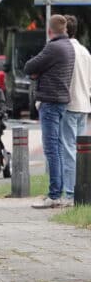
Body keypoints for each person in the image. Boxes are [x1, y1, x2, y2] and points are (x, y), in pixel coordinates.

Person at [24, 14, 74, 209]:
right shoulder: (68, 46)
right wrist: (42, 72)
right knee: (59, 148)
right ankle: (57, 191)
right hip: (61, 101)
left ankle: (54, 194)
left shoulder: (53, 47)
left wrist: (39, 72)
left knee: (52, 148)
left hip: (51, 102)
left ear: (49, 30)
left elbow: (30, 66)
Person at [62, 15, 90, 205]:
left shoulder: (64, 51)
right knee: (81, 152)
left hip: (68, 104)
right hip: (84, 104)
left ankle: (71, 191)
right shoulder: (85, 52)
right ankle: (81, 189)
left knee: (68, 149)